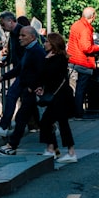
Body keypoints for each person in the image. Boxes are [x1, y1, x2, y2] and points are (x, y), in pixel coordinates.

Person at [0, 25, 46, 155]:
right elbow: (19, 68)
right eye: (20, 35)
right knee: (33, 119)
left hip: (31, 91)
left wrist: (32, 87)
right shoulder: (29, 50)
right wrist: (3, 77)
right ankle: (53, 147)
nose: (20, 38)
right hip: (28, 90)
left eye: (23, 35)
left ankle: (12, 145)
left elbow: (41, 72)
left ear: (32, 37)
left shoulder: (36, 51)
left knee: (22, 118)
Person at [38, 32, 77, 163]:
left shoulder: (58, 58)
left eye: (47, 42)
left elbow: (48, 74)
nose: (44, 44)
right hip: (57, 95)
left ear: (53, 44)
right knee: (57, 122)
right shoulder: (55, 57)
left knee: (49, 121)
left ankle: (61, 151)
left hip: (60, 96)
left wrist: (46, 60)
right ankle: (58, 150)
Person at [0, 11, 25, 135]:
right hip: (21, 70)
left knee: (12, 95)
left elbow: (25, 54)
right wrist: (7, 61)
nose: (2, 27)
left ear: (10, 21)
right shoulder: (12, 34)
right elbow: (13, 52)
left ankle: (4, 126)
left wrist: (4, 76)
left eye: (3, 24)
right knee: (28, 102)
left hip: (25, 71)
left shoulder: (22, 32)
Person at [66, 7, 99, 119]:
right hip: (83, 62)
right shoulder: (85, 29)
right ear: (93, 16)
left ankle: (71, 112)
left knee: (72, 88)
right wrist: (97, 47)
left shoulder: (75, 25)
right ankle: (78, 113)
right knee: (81, 89)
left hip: (72, 60)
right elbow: (86, 47)